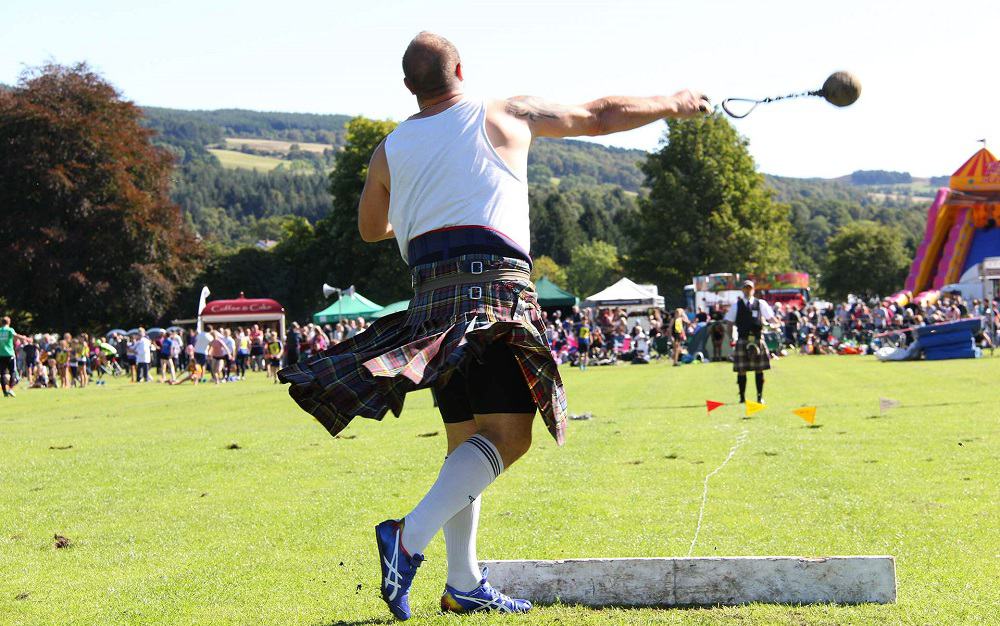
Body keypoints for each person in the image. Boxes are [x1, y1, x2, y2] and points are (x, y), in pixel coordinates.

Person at [276, 31, 707, 620]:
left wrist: (416, 193)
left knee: (465, 445)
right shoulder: (503, 113)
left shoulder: (389, 149)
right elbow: (600, 115)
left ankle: (463, 583)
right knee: (508, 437)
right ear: (460, 68)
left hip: (431, 306)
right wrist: (675, 103)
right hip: (494, 296)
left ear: (409, 86)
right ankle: (407, 539)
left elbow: (371, 228)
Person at [724, 280, 779, 404]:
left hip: (757, 339)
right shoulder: (736, 305)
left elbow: (771, 318)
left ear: (753, 289)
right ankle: (742, 397)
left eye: (750, 288)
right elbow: (729, 322)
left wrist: (776, 324)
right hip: (742, 339)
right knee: (741, 370)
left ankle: (760, 397)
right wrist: (730, 337)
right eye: (745, 288)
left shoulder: (761, 304)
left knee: (759, 369)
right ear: (742, 290)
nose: (747, 290)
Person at [0, 317, 30, 397]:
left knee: (2, 373)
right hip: (9, 354)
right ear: (9, 322)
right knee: (12, 371)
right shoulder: (10, 330)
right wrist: (26, 338)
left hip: (1, 355)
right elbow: (16, 335)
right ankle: (10, 389)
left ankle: (4, 392)